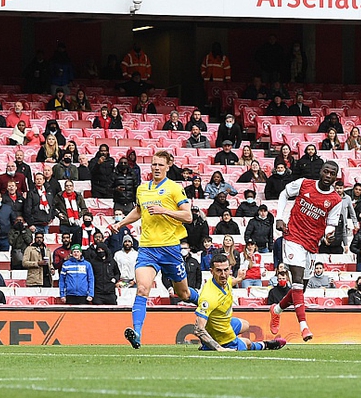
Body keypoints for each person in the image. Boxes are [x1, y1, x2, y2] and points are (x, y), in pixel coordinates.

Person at [109, 151, 194, 348]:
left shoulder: (174, 188)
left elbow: (188, 216)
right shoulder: (142, 189)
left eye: (160, 165)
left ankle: (206, 303)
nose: (156, 167)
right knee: (142, 288)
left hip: (170, 248)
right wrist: (121, 223)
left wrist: (165, 210)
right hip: (148, 248)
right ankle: (137, 333)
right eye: (154, 164)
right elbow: (139, 211)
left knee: (184, 295)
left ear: (167, 167)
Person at [270, 161, 341, 342]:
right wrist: (279, 218)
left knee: (301, 288)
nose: (328, 175)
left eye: (332, 174)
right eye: (326, 171)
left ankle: (277, 309)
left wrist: (328, 235)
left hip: (312, 243)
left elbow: (331, 224)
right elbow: (284, 194)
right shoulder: (303, 184)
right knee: (298, 280)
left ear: (335, 178)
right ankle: (304, 326)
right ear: (321, 171)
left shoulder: (335, 200)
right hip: (293, 236)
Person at [195, 254, 286, 352]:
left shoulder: (226, 280)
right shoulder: (209, 297)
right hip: (222, 337)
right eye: (218, 271)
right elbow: (198, 329)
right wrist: (219, 348)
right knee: (247, 342)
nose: (223, 274)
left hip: (223, 323)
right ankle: (265, 344)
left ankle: (208, 344)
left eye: (226, 270)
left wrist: (239, 279)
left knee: (245, 324)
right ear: (211, 271)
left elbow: (231, 281)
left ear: (230, 269)